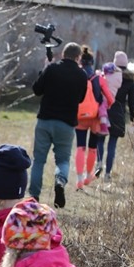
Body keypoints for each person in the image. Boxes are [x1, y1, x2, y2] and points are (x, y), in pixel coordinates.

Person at [28, 42, 87, 209]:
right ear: (78, 58)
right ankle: (60, 181)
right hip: (66, 124)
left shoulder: (52, 69)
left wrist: (44, 69)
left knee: (39, 160)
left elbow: (37, 90)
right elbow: (81, 99)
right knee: (63, 159)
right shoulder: (81, 75)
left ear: (63, 54)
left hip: (45, 120)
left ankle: (33, 196)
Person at [75, 46, 114, 190]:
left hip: (80, 116)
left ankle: (78, 179)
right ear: (92, 63)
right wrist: (103, 107)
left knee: (80, 147)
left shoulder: (77, 75)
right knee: (92, 148)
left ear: (81, 62)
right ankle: (87, 176)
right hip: (95, 117)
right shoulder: (99, 78)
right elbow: (111, 99)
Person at [97, 51, 134, 182]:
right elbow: (132, 102)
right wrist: (133, 118)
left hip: (105, 110)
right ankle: (107, 173)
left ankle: (98, 165)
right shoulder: (130, 80)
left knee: (100, 140)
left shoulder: (108, 75)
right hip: (118, 113)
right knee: (112, 145)